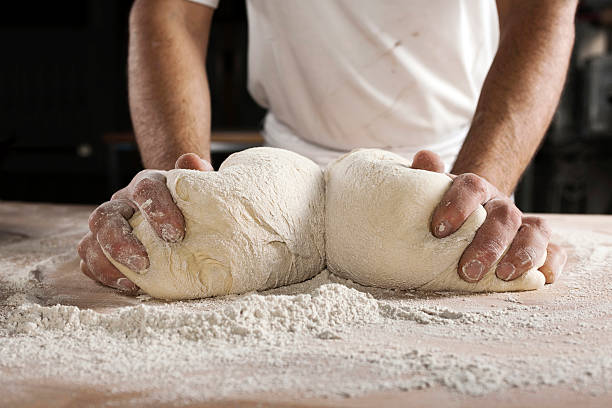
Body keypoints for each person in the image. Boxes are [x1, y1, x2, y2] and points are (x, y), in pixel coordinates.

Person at [78, 0, 576, 293]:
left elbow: (541, 12)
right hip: (275, 189)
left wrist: (482, 191)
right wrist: (181, 196)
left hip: (452, 166)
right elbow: (172, 13)